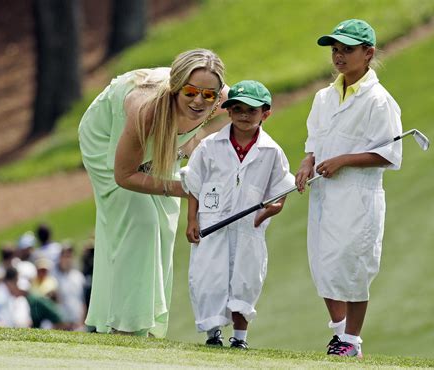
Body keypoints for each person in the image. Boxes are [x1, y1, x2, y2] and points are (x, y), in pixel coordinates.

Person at [78, 48, 228, 336]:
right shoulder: (145, 110)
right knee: (142, 222)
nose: (199, 101)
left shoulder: (224, 99)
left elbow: (257, 112)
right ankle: (126, 327)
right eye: (190, 92)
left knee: (163, 226)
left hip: (160, 141)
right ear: (176, 88)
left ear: (218, 93)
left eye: (208, 95)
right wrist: (185, 189)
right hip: (105, 135)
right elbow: (124, 175)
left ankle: (147, 327)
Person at [295, 19, 402, 357]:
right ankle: (340, 335)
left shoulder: (379, 101)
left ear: (368, 54)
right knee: (324, 265)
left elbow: (388, 154)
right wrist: (307, 162)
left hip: (358, 196)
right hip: (325, 195)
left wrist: (342, 160)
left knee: (353, 266)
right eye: (335, 50)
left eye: (347, 49)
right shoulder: (323, 97)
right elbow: (315, 141)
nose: (339, 56)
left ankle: (352, 339)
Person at [181, 80, 294, 349]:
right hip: (213, 223)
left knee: (245, 280)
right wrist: (192, 220)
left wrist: (273, 209)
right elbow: (194, 184)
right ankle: (213, 334)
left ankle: (240, 339)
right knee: (209, 279)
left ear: (265, 114)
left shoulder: (272, 151)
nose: (244, 115)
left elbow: (281, 188)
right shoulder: (209, 146)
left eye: (251, 110)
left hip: (248, 228)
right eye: (238, 109)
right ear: (228, 111)